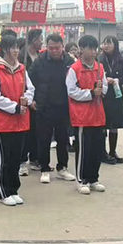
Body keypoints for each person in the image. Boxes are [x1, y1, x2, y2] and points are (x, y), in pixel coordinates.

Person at [0, 35, 35, 206]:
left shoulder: (22, 68)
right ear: (4, 49)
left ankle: (14, 189)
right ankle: (4, 192)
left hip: (20, 120)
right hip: (3, 121)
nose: (16, 51)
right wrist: (14, 107)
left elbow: (30, 88)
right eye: (12, 48)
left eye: (17, 47)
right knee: (4, 159)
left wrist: (26, 100)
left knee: (16, 158)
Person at [28, 34, 77, 185]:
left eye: (57, 48)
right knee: (44, 139)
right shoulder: (39, 61)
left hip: (63, 107)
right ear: (47, 47)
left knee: (63, 139)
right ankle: (44, 169)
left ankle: (62, 168)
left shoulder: (69, 62)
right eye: (51, 48)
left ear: (62, 46)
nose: (54, 51)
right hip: (44, 106)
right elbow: (29, 82)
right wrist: (31, 100)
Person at [66, 35, 108, 195]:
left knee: (96, 149)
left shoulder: (99, 68)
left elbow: (104, 87)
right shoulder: (74, 69)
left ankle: (93, 178)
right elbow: (72, 91)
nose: (93, 52)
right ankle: (81, 179)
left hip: (98, 114)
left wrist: (101, 90)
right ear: (81, 49)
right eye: (90, 48)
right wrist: (90, 93)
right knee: (84, 149)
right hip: (82, 116)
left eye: (95, 48)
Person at [98, 35, 123, 165]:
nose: (106, 46)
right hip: (104, 95)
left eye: (109, 43)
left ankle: (112, 151)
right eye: (105, 43)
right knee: (103, 124)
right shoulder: (99, 59)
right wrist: (106, 80)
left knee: (114, 125)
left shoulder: (120, 59)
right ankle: (102, 152)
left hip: (116, 95)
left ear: (115, 45)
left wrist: (116, 80)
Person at [17, 29, 43, 174]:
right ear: (33, 40)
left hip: (38, 97)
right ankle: (21, 161)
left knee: (36, 131)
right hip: (24, 99)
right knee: (25, 133)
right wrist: (28, 100)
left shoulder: (40, 56)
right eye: (39, 39)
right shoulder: (22, 56)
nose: (41, 42)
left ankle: (34, 158)